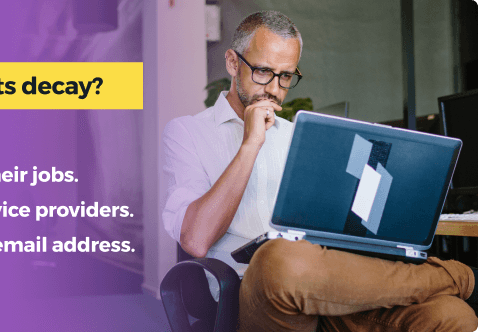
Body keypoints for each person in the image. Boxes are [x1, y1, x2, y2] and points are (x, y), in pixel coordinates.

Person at [162, 10, 478, 331]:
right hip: (254, 292)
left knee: (451, 314)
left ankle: (451, 281)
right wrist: (250, 144)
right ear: (232, 62)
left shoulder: (299, 135)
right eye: (262, 71)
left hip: (327, 286)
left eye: (285, 76)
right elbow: (196, 240)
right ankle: (463, 277)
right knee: (278, 258)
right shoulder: (187, 133)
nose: (273, 89)